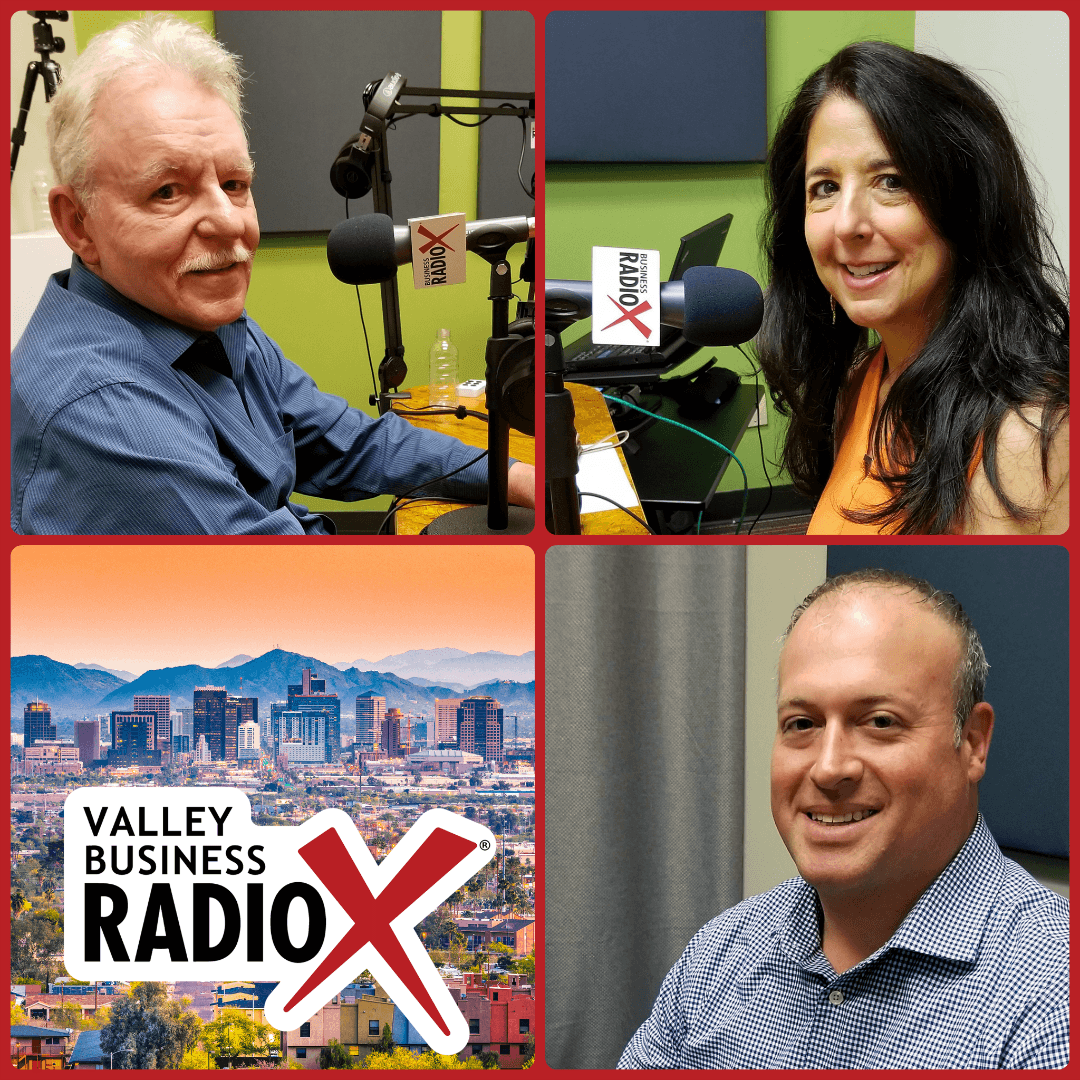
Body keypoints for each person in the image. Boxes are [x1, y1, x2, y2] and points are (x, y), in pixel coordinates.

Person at [10, 15, 534, 535]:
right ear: (79, 225)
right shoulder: (102, 409)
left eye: (235, 183)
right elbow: (288, 595)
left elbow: (343, 441)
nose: (229, 221)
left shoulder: (192, 313)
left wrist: (513, 475)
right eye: (167, 191)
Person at [619, 568, 1068, 1069]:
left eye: (880, 722)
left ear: (973, 742)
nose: (829, 767)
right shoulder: (719, 955)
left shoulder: (1051, 1003)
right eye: (802, 724)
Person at [756, 42, 1068, 534]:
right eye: (826, 188)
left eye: (891, 181)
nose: (847, 224)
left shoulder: (1027, 440)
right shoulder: (862, 383)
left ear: (966, 201)